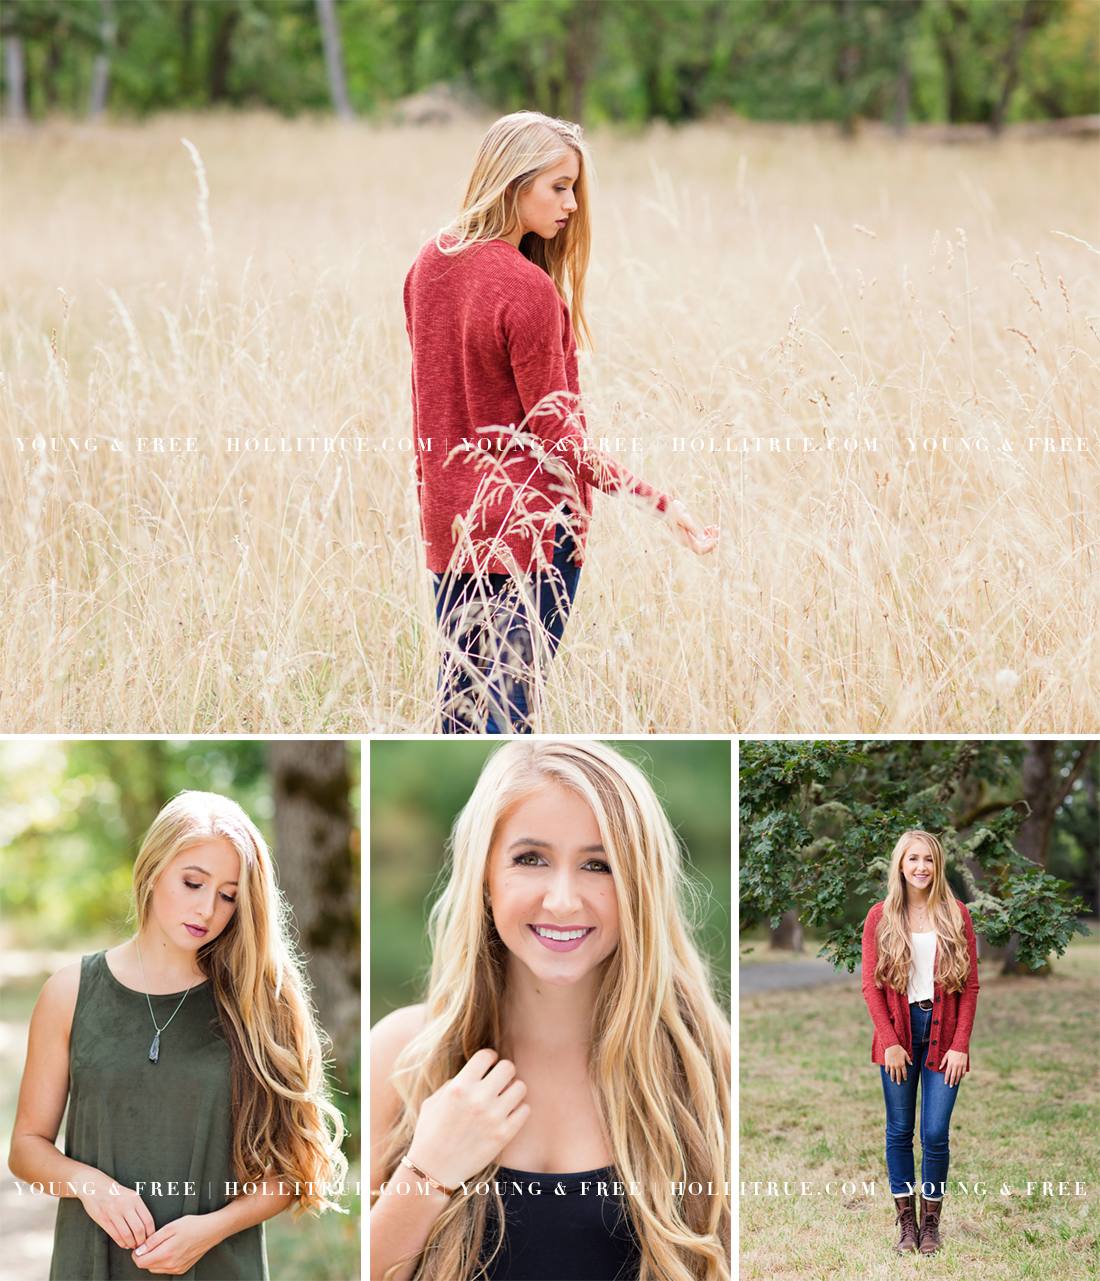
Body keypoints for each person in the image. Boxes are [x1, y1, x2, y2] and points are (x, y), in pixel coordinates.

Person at [403, 111, 719, 734]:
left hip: (452, 528)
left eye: (573, 187)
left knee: (461, 719)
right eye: (559, 186)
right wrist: (660, 502)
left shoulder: (427, 264)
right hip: (530, 536)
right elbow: (558, 437)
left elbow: (427, 403)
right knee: (507, 720)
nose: (573, 204)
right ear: (512, 182)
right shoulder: (526, 289)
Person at [369, 739, 731, 1281]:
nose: (563, 900)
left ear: (640, 886)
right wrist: (428, 1173)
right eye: (531, 859)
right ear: (485, 878)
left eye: (598, 864)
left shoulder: (706, 1062)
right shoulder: (403, 1055)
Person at [9, 791, 348, 1279]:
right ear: (151, 871)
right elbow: (26, 1147)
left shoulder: (260, 1001)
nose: (208, 908)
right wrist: (88, 1183)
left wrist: (209, 1231)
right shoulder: (69, 992)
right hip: (92, 1265)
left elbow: (293, 1170)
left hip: (218, 1267)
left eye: (228, 894)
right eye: (193, 882)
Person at [860, 830, 980, 1257]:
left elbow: (970, 987)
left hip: (943, 1034)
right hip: (899, 1035)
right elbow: (872, 988)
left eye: (928, 860)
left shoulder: (956, 914)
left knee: (934, 1132)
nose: (921, 867)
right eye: (913, 859)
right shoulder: (880, 916)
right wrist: (889, 1041)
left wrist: (960, 1044)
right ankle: (906, 1223)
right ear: (900, 865)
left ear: (938, 865)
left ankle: (932, 1222)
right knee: (899, 1131)